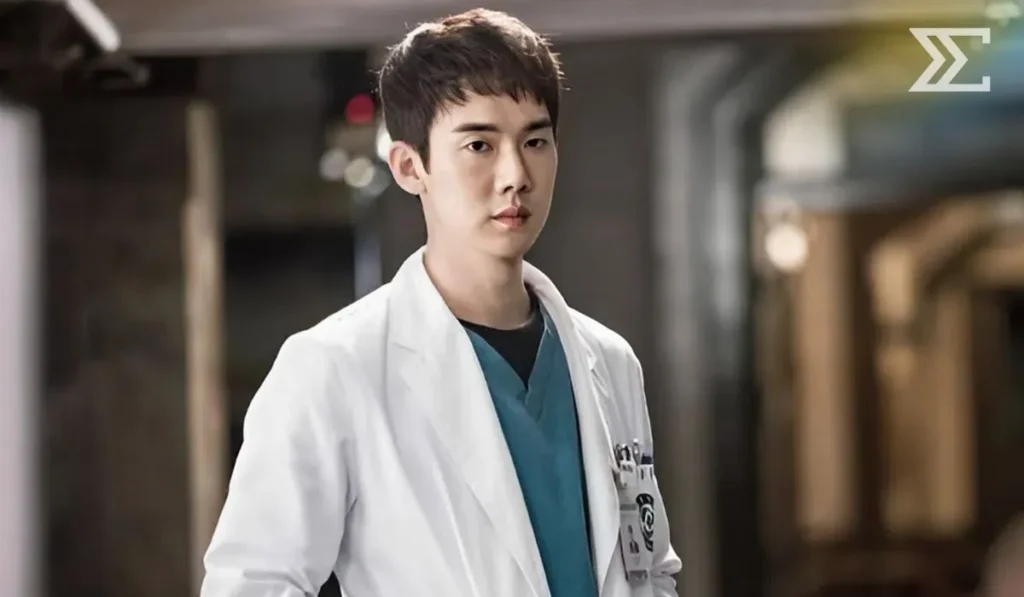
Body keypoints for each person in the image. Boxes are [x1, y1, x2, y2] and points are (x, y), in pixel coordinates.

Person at [200, 8, 681, 597]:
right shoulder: (333, 367)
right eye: (479, 144)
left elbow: (650, 571)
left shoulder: (609, 361)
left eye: (535, 141)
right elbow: (253, 584)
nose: (515, 175)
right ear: (410, 167)